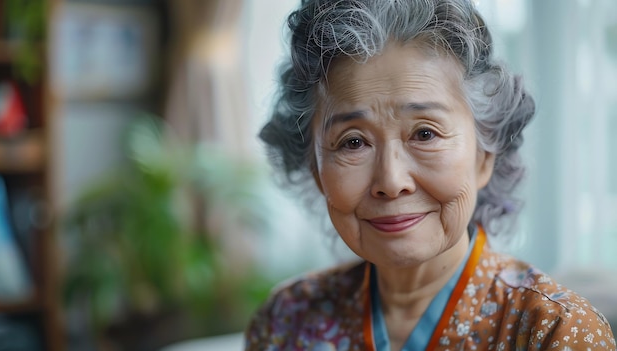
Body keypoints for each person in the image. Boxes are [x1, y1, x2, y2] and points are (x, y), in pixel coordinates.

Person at [245, 0, 616, 350]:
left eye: (425, 134)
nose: (391, 182)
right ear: (316, 169)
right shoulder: (286, 320)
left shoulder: (552, 332)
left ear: (484, 156)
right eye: (353, 142)